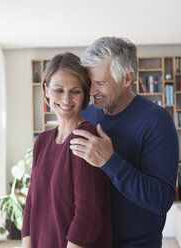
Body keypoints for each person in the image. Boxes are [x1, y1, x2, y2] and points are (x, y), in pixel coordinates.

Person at [70, 37, 179, 248]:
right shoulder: (85, 114)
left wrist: (110, 161)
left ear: (126, 79)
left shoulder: (157, 121)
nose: (91, 92)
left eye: (100, 83)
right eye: (89, 82)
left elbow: (161, 200)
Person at [21, 52, 112, 248]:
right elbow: (31, 203)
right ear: (46, 90)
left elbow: (89, 216)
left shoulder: (85, 137)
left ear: (85, 93)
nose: (66, 99)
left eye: (75, 91)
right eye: (59, 90)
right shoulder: (42, 141)